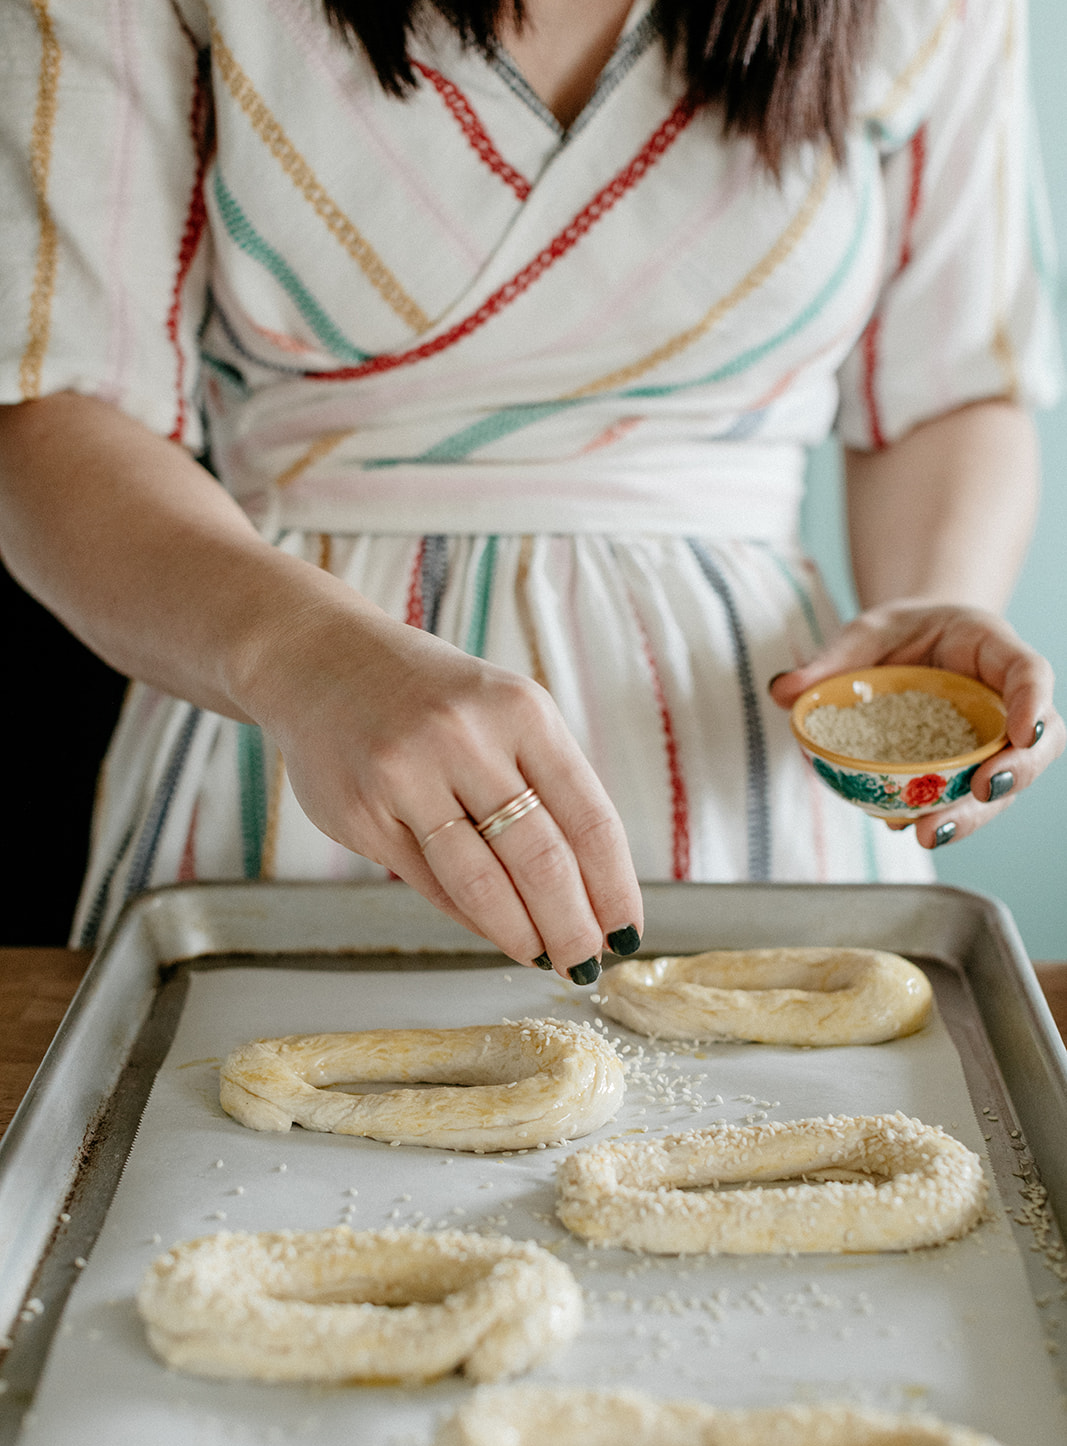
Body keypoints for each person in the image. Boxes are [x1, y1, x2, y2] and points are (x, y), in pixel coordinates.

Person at [0, 0, 1062, 979]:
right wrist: (302, 656)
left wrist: (933, 604)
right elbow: (49, 412)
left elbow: (949, 388)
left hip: (752, 775)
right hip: (280, 734)